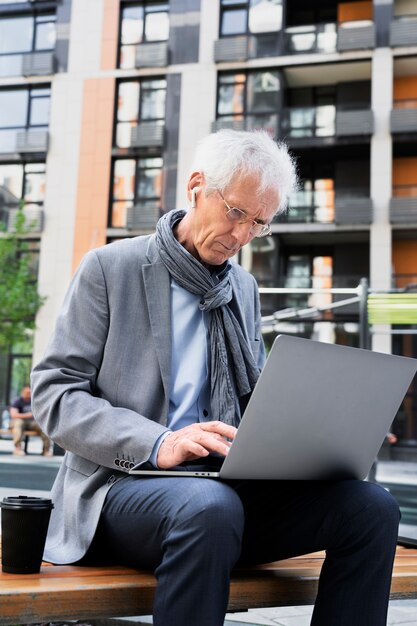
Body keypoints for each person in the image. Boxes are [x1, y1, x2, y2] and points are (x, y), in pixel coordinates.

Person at [31, 130, 400, 626]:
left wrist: (330, 435)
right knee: (209, 507)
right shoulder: (109, 268)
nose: (243, 235)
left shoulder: (241, 288)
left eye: (259, 224)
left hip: (223, 487)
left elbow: (257, 401)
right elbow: (55, 395)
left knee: (370, 507)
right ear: (197, 186)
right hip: (122, 487)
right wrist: (160, 441)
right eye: (236, 212)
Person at [10, 385, 51, 456]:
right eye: (27, 392)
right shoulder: (17, 401)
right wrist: (27, 415)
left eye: (30, 392)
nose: (29, 394)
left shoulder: (34, 401)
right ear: (23, 392)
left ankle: (46, 450)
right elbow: (14, 415)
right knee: (19, 423)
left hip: (31, 422)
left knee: (43, 426)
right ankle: (17, 448)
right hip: (19, 421)